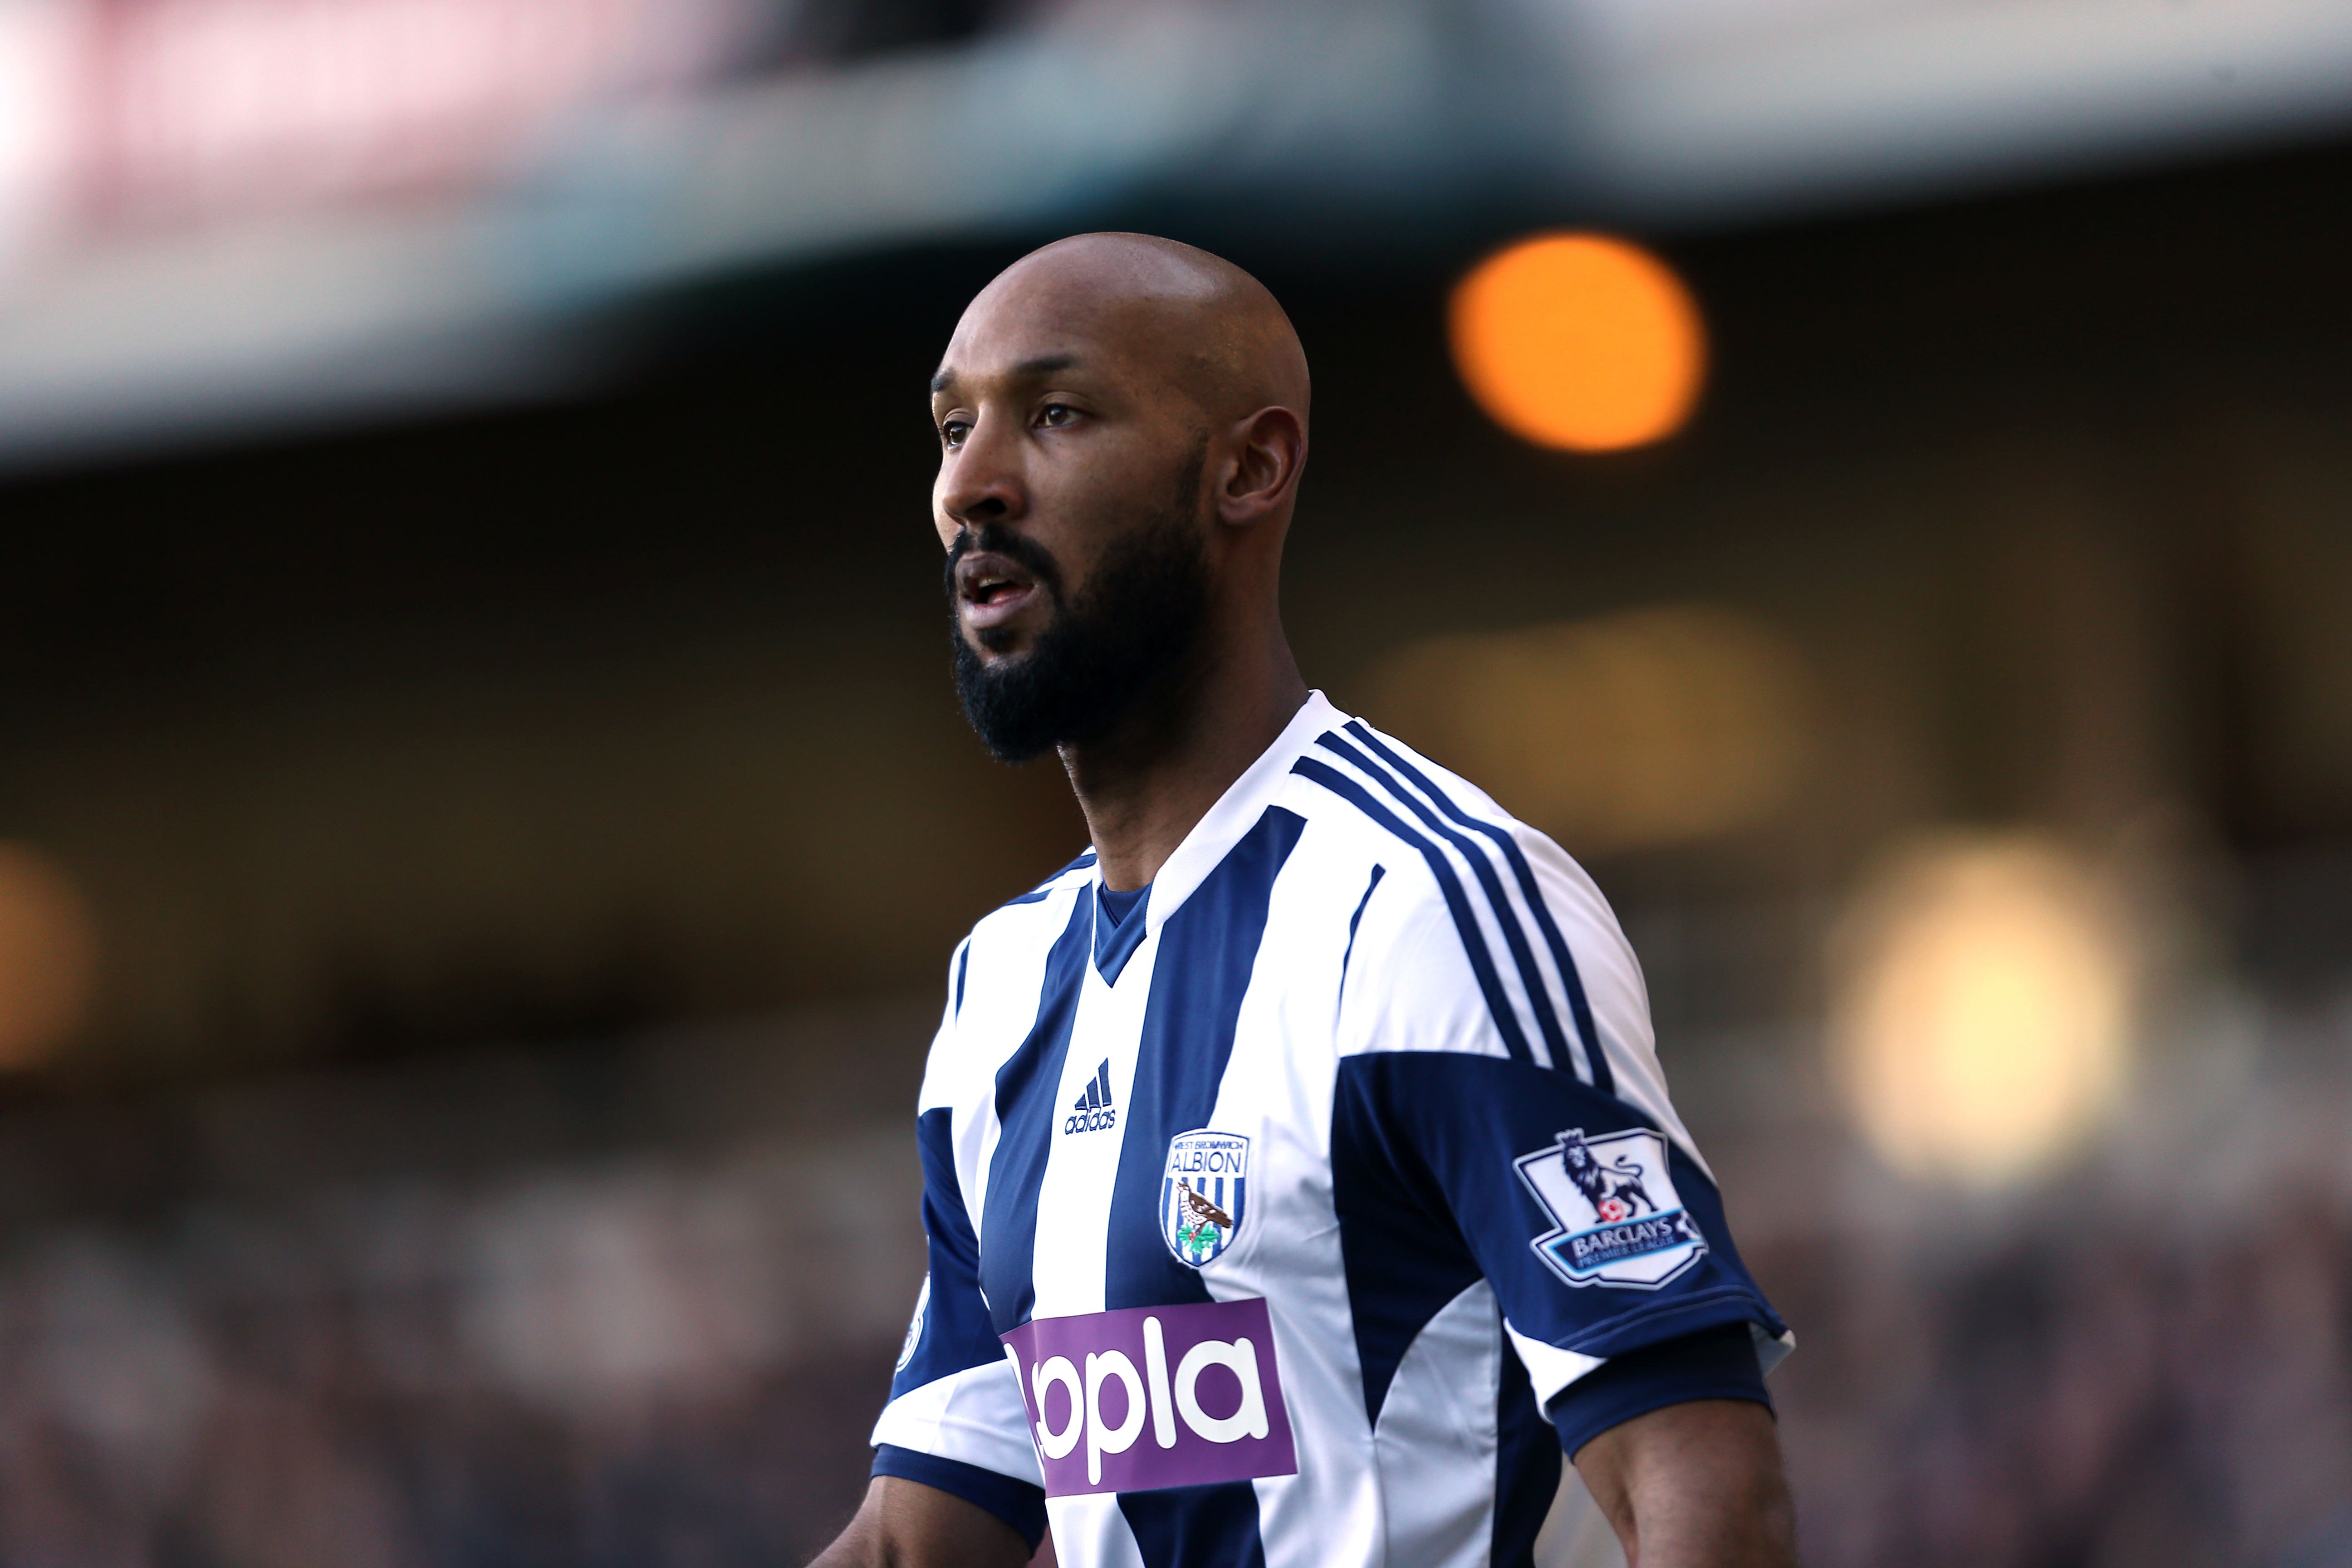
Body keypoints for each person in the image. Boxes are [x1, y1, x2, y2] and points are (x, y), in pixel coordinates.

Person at [811, 234, 1798, 1568]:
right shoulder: (1001, 986)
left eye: (1054, 415)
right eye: (950, 429)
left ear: (1249, 468)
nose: (970, 488)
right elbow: (915, 1543)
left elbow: (1706, 1495)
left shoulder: (1428, 905)